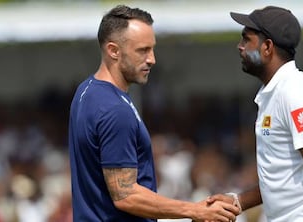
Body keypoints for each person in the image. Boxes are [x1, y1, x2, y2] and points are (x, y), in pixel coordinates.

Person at [68, 4, 239, 222]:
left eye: (152, 49)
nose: (152, 59)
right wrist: (195, 210)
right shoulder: (115, 110)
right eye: (142, 50)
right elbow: (126, 195)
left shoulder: (86, 90)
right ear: (113, 50)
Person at [207, 5, 303, 222]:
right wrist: (239, 201)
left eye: (246, 39)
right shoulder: (273, 92)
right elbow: (281, 179)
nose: (240, 47)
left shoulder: (295, 92)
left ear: (267, 47)